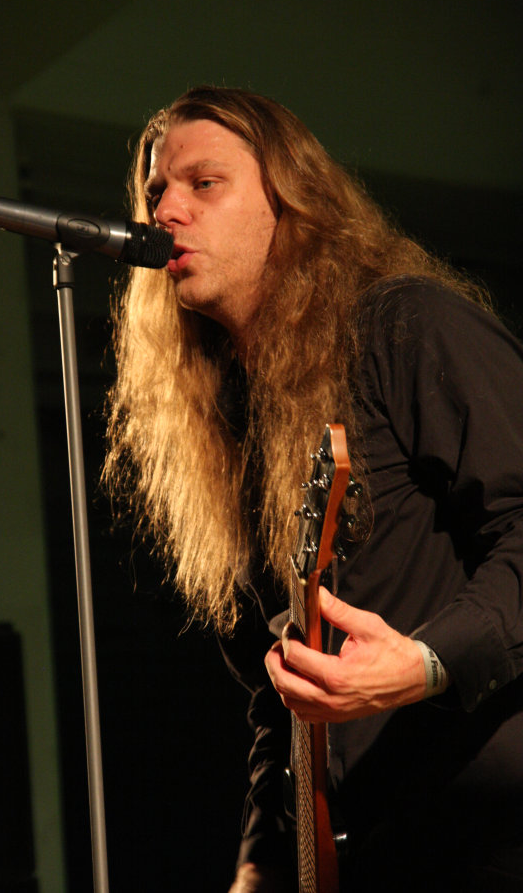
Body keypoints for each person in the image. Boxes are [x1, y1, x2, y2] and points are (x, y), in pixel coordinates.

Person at [102, 86, 523, 892]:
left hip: (489, 839)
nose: (166, 211)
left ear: (290, 202)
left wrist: (429, 661)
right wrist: (259, 860)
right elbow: (279, 692)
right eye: (155, 192)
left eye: (204, 183)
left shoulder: (404, 326)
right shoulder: (227, 418)